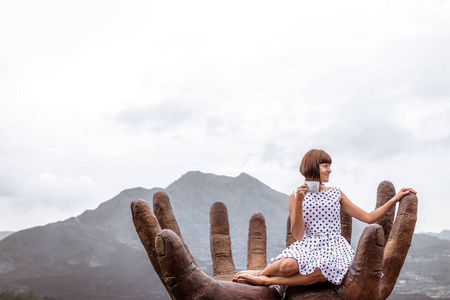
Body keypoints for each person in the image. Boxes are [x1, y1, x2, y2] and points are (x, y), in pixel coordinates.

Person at [233, 149, 416, 291]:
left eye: (329, 165)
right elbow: (297, 235)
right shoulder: (295, 195)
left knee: (322, 272)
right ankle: (260, 273)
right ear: (314, 167)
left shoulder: (335, 193)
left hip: (333, 246)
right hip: (307, 245)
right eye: (325, 165)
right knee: (288, 265)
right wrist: (299, 202)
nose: (330, 169)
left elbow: (368, 217)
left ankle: (264, 280)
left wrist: (395, 199)